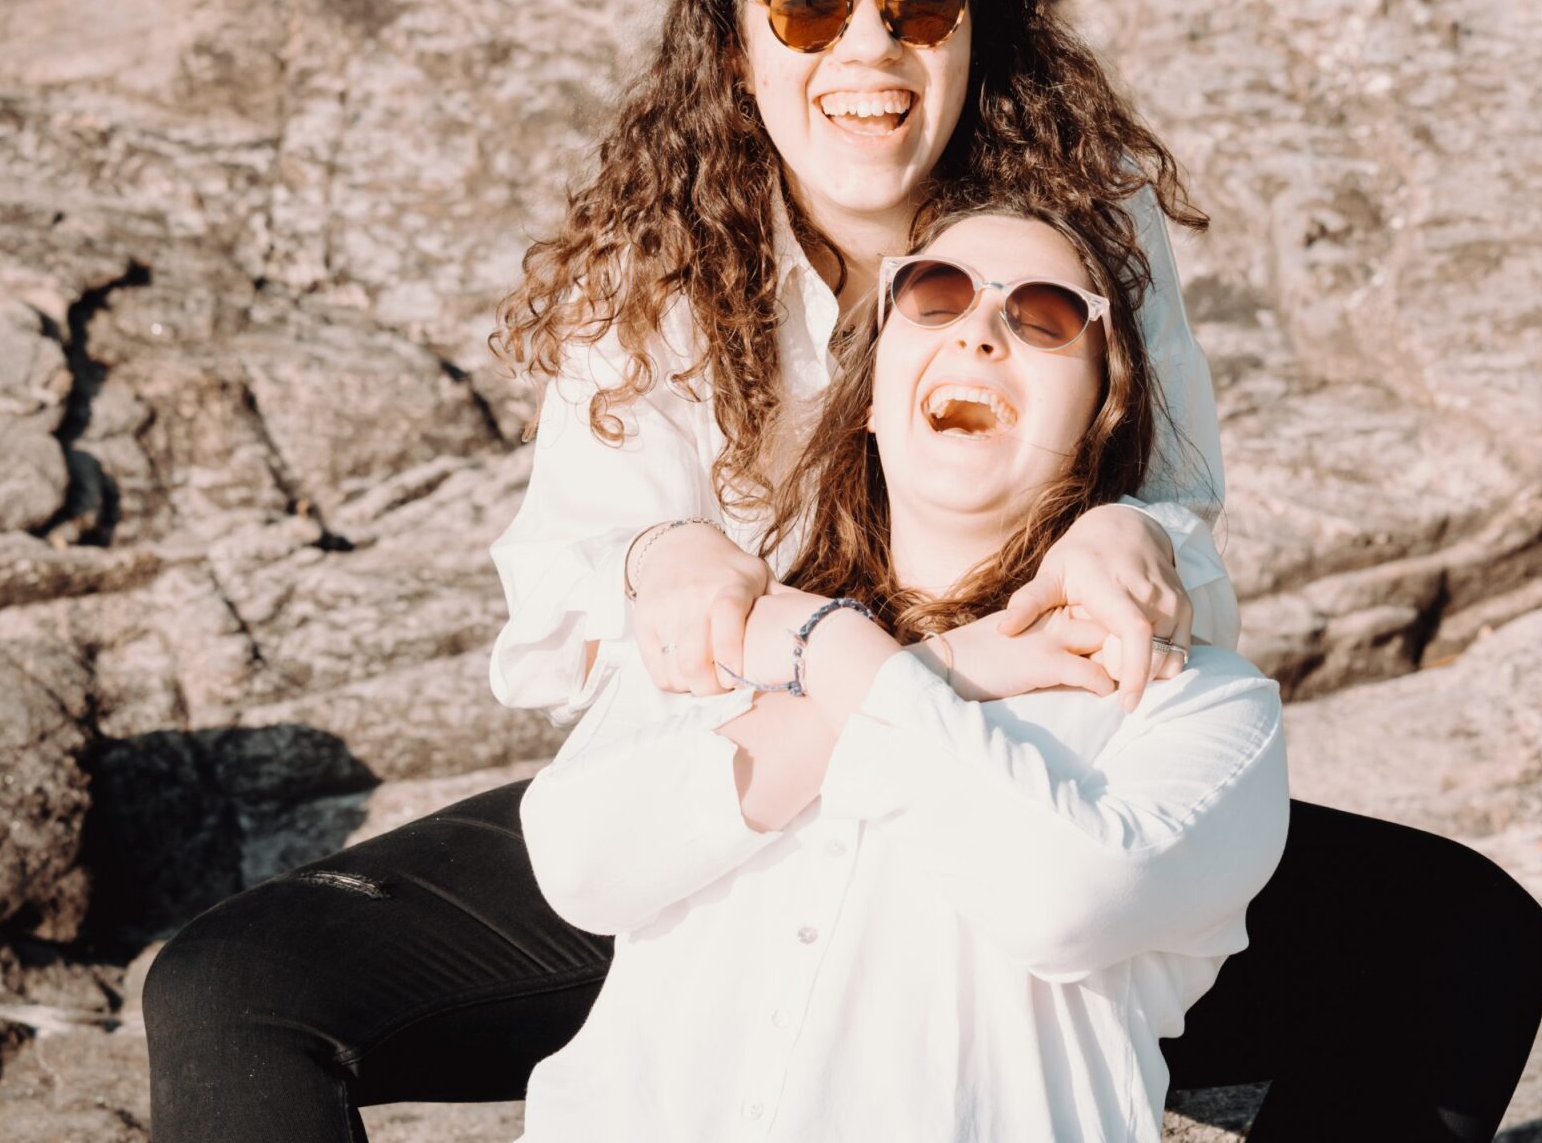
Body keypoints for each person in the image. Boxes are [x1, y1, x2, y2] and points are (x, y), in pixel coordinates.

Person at [143, 0, 1542, 1143]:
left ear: (971, 30)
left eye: (919, 1)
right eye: (811, 4)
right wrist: (660, 562)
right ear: (739, 40)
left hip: (1001, 778)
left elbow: (1169, 504)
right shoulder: (651, 270)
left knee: (1458, 934)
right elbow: (571, 602)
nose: (866, 44)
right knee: (234, 984)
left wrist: (1135, 532)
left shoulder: (1090, 232)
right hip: (739, 790)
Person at [517, 204, 1288, 1142]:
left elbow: (1072, 900)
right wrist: (942, 665)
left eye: (1044, 315)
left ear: (1099, 420)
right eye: (935, 295)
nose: (980, 329)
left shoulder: (1194, 701)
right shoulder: (731, 619)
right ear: (873, 402)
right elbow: (580, 861)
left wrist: (832, 655)